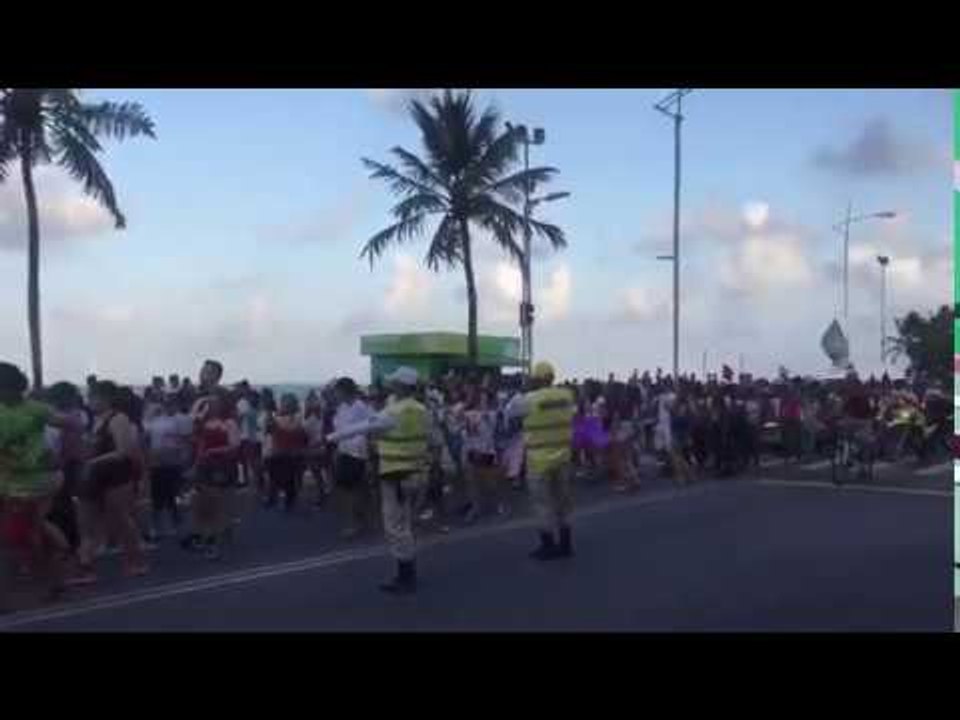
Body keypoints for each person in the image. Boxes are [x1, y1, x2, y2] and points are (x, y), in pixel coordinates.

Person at [327, 367, 429, 595]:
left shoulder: (393, 412)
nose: (390, 386)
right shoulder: (421, 409)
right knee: (405, 525)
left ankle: (406, 576)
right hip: (415, 472)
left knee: (395, 527)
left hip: (395, 474)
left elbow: (360, 428)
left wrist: (330, 438)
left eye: (394, 383)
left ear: (402, 386)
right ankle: (407, 571)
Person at [0, 362, 71, 598]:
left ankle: (12, 592)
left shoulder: (35, 409)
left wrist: (60, 455)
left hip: (30, 484)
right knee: (27, 537)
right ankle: (53, 578)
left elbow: (73, 424)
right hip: (9, 483)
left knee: (14, 540)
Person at [71, 380, 149, 584]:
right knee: (86, 524)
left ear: (105, 398)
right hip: (93, 476)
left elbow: (124, 451)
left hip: (115, 476)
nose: (89, 401)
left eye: (92, 397)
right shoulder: (93, 420)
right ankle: (86, 567)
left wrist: (93, 461)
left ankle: (135, 561)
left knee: (121, 519)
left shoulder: (118, 419)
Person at [505, 361, 576, 561]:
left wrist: (523, 391)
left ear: (535, 379)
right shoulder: (567, 396)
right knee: (563, 502)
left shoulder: (527, 399)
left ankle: (548, 545)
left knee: (542, 504)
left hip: (538, 460)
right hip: (563, 455)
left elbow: (509, 412)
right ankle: (566, 544)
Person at [182, 389, 240, 560]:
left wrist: (213, 451)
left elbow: (234, 446)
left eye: (215, 402)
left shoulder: (229, 423)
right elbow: (199, 444)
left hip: (220, 466)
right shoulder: (204, 422)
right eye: (210, 402)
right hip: (204, 466)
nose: (212, 405)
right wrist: (195, 465)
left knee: (215, 504)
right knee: (202, 505)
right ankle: (205, 536)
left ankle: (213, 543)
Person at [143, 393, 193, 538]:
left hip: (174, 463)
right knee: (157, 496)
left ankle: (177, 524)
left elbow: (187, 442)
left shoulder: (182, 420)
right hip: (156, 463)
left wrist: (186, 461)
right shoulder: (155, 420)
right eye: (165, 402)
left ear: (176, 404)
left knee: (174, 495)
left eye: (171, 402)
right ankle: (157, 527)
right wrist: (147, 458)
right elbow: (147, 438)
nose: (167, 405)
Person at [265, 393, 308, 512]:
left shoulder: (298, 418)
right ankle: (273, 498)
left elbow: (300, 434)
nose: (285, 405)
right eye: (284, 402)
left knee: (289, 479)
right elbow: (269, 431)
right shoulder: (277, 417)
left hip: (292, 453)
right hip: (278, 452)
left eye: (288, 403)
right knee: (275, 477)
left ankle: (289, 501)